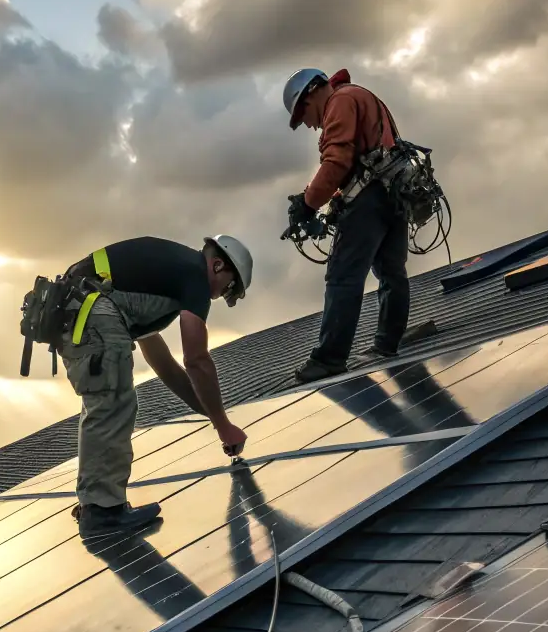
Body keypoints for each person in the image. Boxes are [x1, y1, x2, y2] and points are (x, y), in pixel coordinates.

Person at [59, 236, 253, 536]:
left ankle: (94, 505)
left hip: (79, 310)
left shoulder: (161, 275)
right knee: (113, 404)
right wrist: (225, 425)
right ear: (217, 265)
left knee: (106, 403)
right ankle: (101, 511)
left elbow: (164, 363)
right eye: (227, 287)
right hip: (94, 312)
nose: (217, 297)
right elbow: (197, 359)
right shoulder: (194, 276)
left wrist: (216, 421)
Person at [283, 67, 410, 384]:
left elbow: (338, 160)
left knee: (342, 276)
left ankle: (329, 359)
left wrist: (308, 204)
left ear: (314, 92)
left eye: (305, 113)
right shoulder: (363, 96)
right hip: (395, 194)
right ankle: (387, 344)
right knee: (392, 271)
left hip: (369, 201)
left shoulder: (340, 101)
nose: (311, 124)